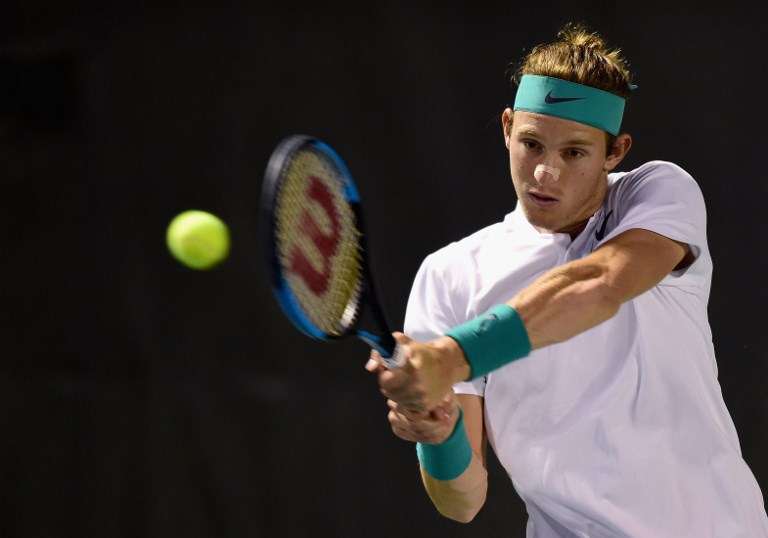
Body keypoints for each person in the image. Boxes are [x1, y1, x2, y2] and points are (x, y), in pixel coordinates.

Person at [367, 24, 768, 537]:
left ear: (616, 151)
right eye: (531, 144)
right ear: (507, 127)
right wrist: (437, 432)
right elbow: (462, 501)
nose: (545, 173)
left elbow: (600, 283)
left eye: (574, 152)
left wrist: (449, 356)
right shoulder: (449, 275)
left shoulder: (659, 194)